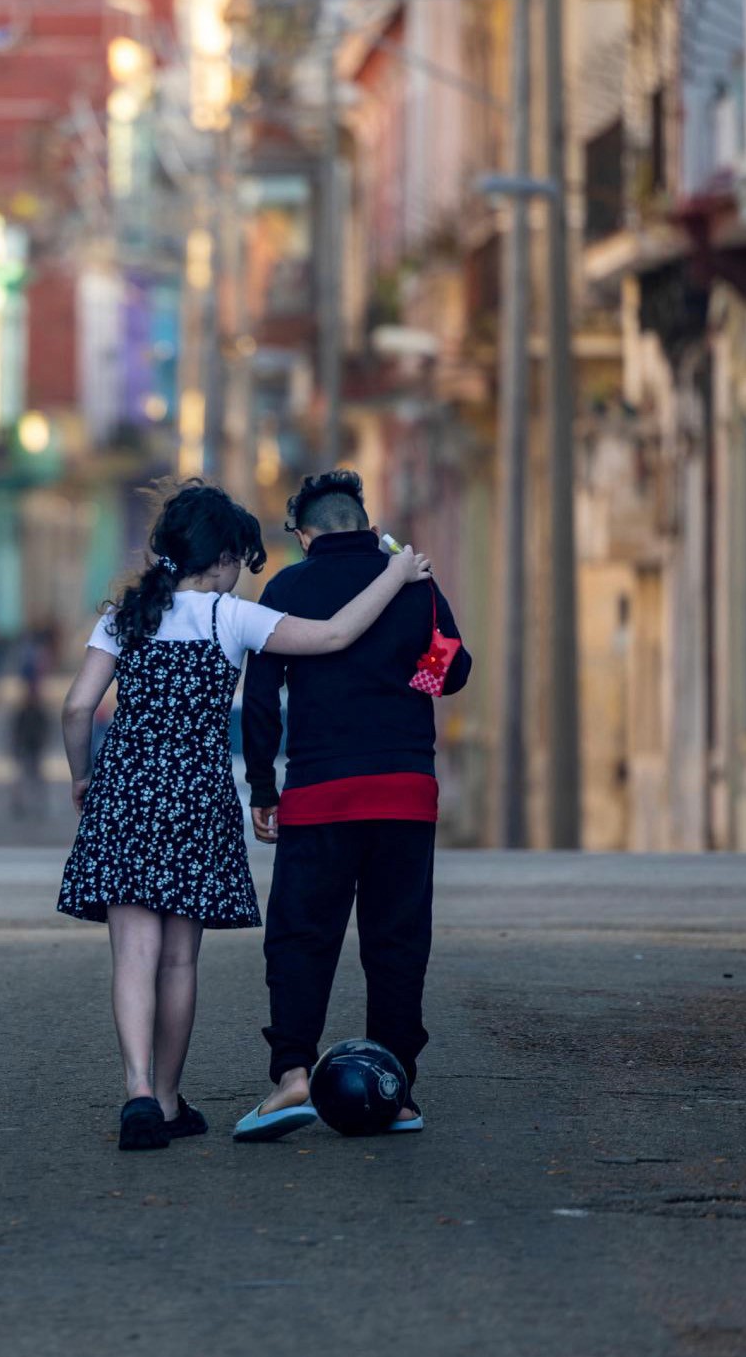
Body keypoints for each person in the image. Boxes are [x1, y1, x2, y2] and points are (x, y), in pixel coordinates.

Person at [56, 481, 436, 1152]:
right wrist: (398, 572)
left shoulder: (123, 616)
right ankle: (170, 1099)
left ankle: (139, 1092)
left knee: (132, 958)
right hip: (197, 799)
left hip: (125, 792)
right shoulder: (228, 618)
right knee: (178, 963)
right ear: (226, 556)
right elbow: (338, 632)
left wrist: (84, 774)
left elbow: (76, 707)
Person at [235, 470, 472, 1141]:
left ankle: (292, 1076)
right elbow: (450, 674)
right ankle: (396, 1092)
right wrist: (404, 676)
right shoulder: (413, 579)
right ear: (365, 520)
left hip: (319, 793)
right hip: (403, 789)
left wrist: (262, 786)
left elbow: (261, 698)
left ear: (305, 534)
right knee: (396, 939)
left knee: (301, 935)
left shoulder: (287, 587)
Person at [11, 674, 53, 820]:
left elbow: (44, 729)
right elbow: (16, 731)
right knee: (24, 777)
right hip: (26, 747)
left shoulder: (38, 712)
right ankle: (21, 804)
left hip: (34, 748)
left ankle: (36, 803)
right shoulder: (24, 712)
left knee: (34, 777)